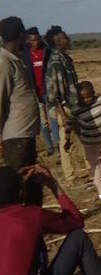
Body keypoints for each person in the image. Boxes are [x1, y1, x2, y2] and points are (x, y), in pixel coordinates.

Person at [0, 16, 42, 205]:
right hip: (15, 136)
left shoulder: (16, 59)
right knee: (20, 185)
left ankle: (34, 218)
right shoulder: (4, 62)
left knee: (32, 183)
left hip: (25, 134)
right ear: (19, 36)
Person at [45, 25, 80, 181]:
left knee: (82, 137)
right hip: (65, 107)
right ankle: (69, 174)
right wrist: (63, 115)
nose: (68, 39)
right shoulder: (56, 63)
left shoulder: (65, 59)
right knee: (66, 140)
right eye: (65, 37)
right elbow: (54, 94)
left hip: (74, 105)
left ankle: (92, 167)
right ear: (58, 41)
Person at [22, 27, 59, 156]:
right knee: (43, 122)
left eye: (37, 39)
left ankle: (57, 144)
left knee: (54, 118)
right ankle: (49, 147)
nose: (36, 42)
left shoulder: (47, 51)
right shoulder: (24, 55)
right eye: (32, 40)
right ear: (27, 41)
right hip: (35, 93)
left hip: (48, 91)